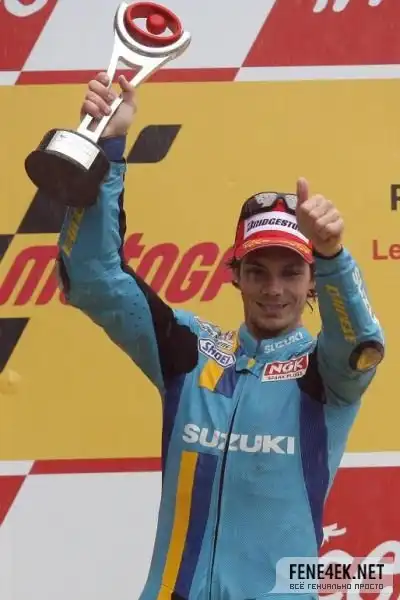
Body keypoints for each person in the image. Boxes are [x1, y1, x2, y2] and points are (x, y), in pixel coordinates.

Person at [56, 72, 385, 600]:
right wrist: (110, 148)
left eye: (291, 273)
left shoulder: (324, 374)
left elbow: (361, 344)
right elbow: (93, 278)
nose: (273, 289)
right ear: (235, 276)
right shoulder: (189, 350)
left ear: (312, 284)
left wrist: (333, 257)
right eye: (257, 271)